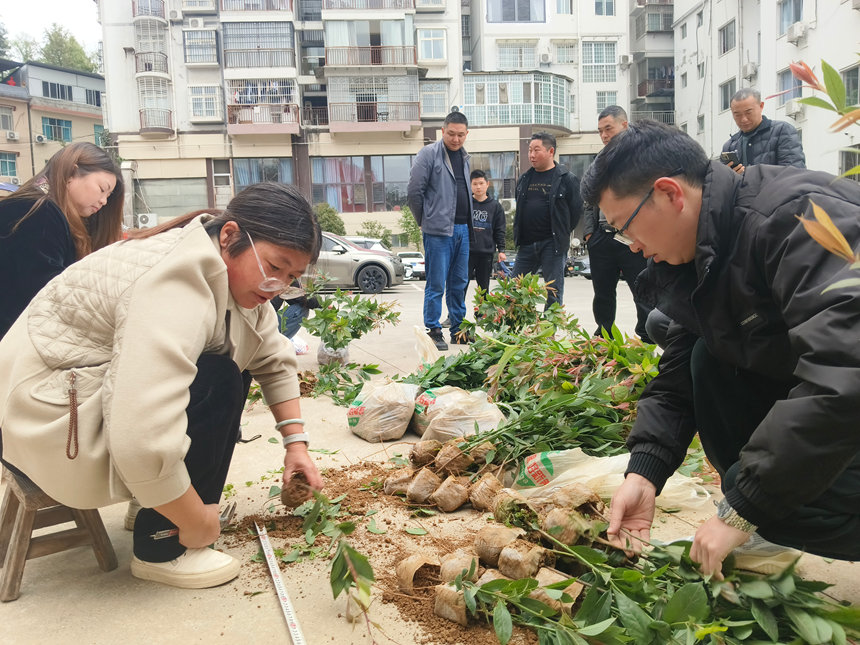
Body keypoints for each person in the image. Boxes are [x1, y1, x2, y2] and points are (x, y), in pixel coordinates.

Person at [0, 183, 324, 589]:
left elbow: (274, 359)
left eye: (291, 277)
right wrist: (198, 521)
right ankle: (162, 548)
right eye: (275, 267)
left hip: (76, 397)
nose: (277, 285)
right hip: (45, 419)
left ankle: (154, 506)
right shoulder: (175, 282)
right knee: (218, 380)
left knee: (229, 368)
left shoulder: (233, 279)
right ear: (230, 237)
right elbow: (142, 435)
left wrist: (297, 446)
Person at [580, 120, 860, 577]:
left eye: (624, 226)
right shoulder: (707, 248)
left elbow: (846, 372)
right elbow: (674, 384)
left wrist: (745, 506)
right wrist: (644, 473)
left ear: (670, 193)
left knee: (762, 494)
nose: (631, 246)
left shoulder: (798, 221)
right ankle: (785, 503)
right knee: (705, 362)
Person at [0, 142, 124, 338]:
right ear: (71, 173)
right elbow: (44, 293)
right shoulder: (37, 211)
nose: (104, 201)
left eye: (108, 195)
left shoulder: (36, 207)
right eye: (102, 189)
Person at [582, 106, 652, 342]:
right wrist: (590, 233)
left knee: (641, 288)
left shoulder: (642, 158)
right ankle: (604, 331)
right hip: (602, 237)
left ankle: (646, 333)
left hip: (632, 237)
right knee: (602, 292)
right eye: (600, 131)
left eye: (608, 129)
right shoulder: (598, 162)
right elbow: (589, 200)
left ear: (624, 125)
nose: (603, 135)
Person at [407, 111, 475, 350]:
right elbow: (414, 192)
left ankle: (458, 329)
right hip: (437, 230)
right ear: (443, 131)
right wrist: (423, 221)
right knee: (436, 283)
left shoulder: (465, 157)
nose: (456, 139)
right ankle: (433, 330)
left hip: (463, 229)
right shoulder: (428, 154)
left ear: (466, 134)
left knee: (459, 282)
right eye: (451, 134)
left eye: (460, 135)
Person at [512, 132, 583, 308]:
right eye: (529, 150)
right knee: (514, 290)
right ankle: (514, 332)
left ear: (551, 151)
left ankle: (548, 333)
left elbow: (575, 211)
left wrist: (561, 232)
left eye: (537, 150)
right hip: (527, 244)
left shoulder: (567, 179)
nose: (531, 155)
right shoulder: (524, 178)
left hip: (553, 245)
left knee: (553, 291)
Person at [721, 87, 806, 174]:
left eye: (748, 112)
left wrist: (748, 176)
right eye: (737, 114)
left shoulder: (782, 131)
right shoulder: (730, 146)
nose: (743, 119)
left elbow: (794, 174)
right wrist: (728, 177)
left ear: (761, 106)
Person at [468, 169, 507, 294]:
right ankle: (457, 314)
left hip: (486, 254)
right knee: (460, 286)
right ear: (470, 185)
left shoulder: (495, 207)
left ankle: (481, 314)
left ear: (487, 184)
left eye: (481, 183)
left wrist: (501, 250)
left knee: (484, 288)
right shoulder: (466, 204)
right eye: (474, 184)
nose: (478, 187)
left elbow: (499, 229)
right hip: (466, 253)